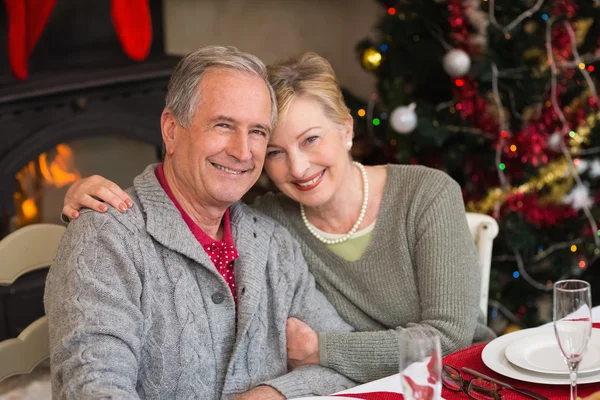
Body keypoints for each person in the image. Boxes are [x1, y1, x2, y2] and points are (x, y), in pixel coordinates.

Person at [61, 51, 496, 384]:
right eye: (275, 151)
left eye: (257, 134)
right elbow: (180, 202)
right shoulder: (269, 220)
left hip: (461, 378)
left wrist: (302, 368)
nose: (299, 167)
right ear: (171, 130)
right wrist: (88, 199)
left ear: (346, 130)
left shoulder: (421, 193)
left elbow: (445, 336)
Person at [45, 46, 358, 400]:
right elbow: (93, 390)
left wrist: (272, 394)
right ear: (171, 130)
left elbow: (342, 359)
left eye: (257, 132)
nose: (242, 152)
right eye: (223, 125)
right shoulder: (105, 239)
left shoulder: (273, 242)